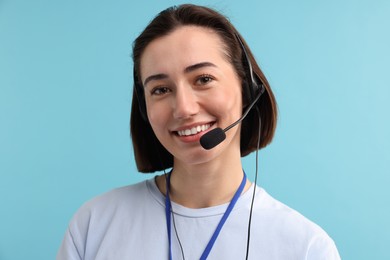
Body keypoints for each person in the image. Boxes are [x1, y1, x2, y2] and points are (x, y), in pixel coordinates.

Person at [57, 4, 340, 260]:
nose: (183, 108)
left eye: (203, 79)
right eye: (161, 89)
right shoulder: (93, 225)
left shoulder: (307, 247)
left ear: (247, 89)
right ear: (144, 108)